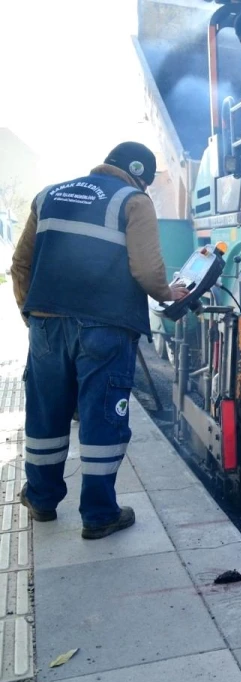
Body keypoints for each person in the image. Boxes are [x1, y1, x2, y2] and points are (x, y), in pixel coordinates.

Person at [9, 142, 187, 538]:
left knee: (46, 414)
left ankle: (40, 498)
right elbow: (145, 268)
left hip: (45, 324)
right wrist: (166, 293)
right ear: (139, 174)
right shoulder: (134, 201)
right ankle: (100, 513)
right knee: (102, 416)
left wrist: (31, 315)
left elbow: (21, 265)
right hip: (104, 327)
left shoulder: (48, 195)